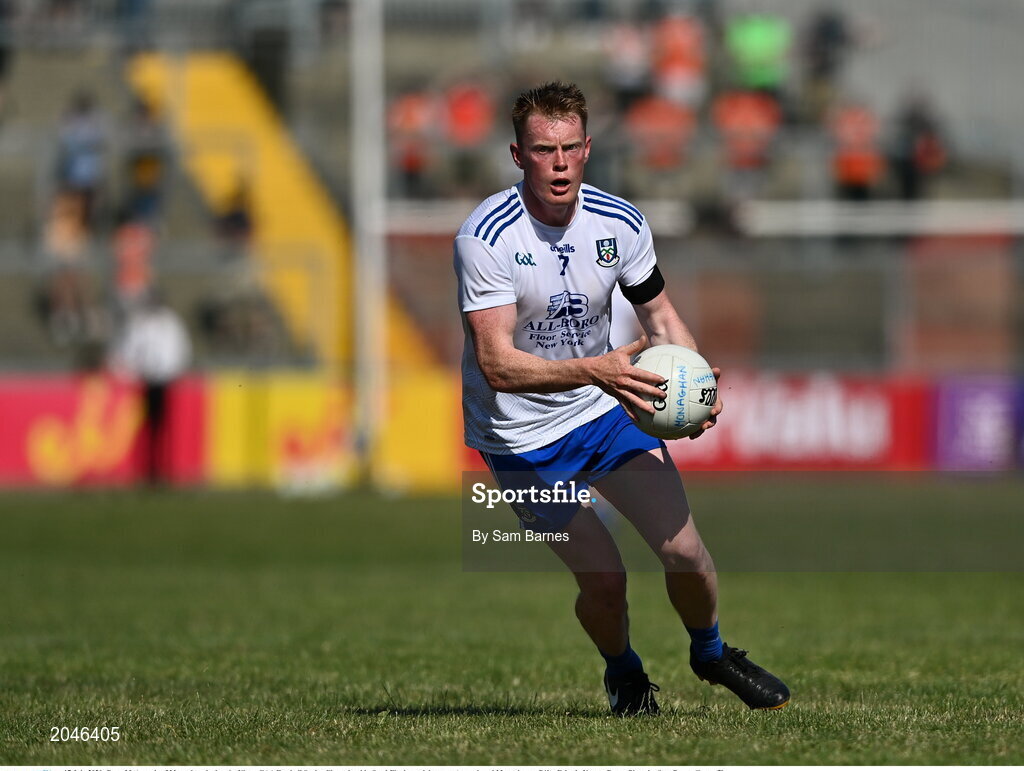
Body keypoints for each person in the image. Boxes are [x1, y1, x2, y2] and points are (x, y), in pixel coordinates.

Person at [453, 82, 789, 716]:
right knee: (605, 581)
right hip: (521, 438)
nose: (558, 162)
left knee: (685, 552)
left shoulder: (620, 223)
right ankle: (625, 673)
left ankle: (712, 653)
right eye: (542, 149)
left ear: (588, 149)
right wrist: (597, 372)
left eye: (569, 147)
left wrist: (696, 384)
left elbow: (659, 316)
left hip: (605, 410)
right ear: (517, 155)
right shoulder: (486, 238)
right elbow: (497, 365)